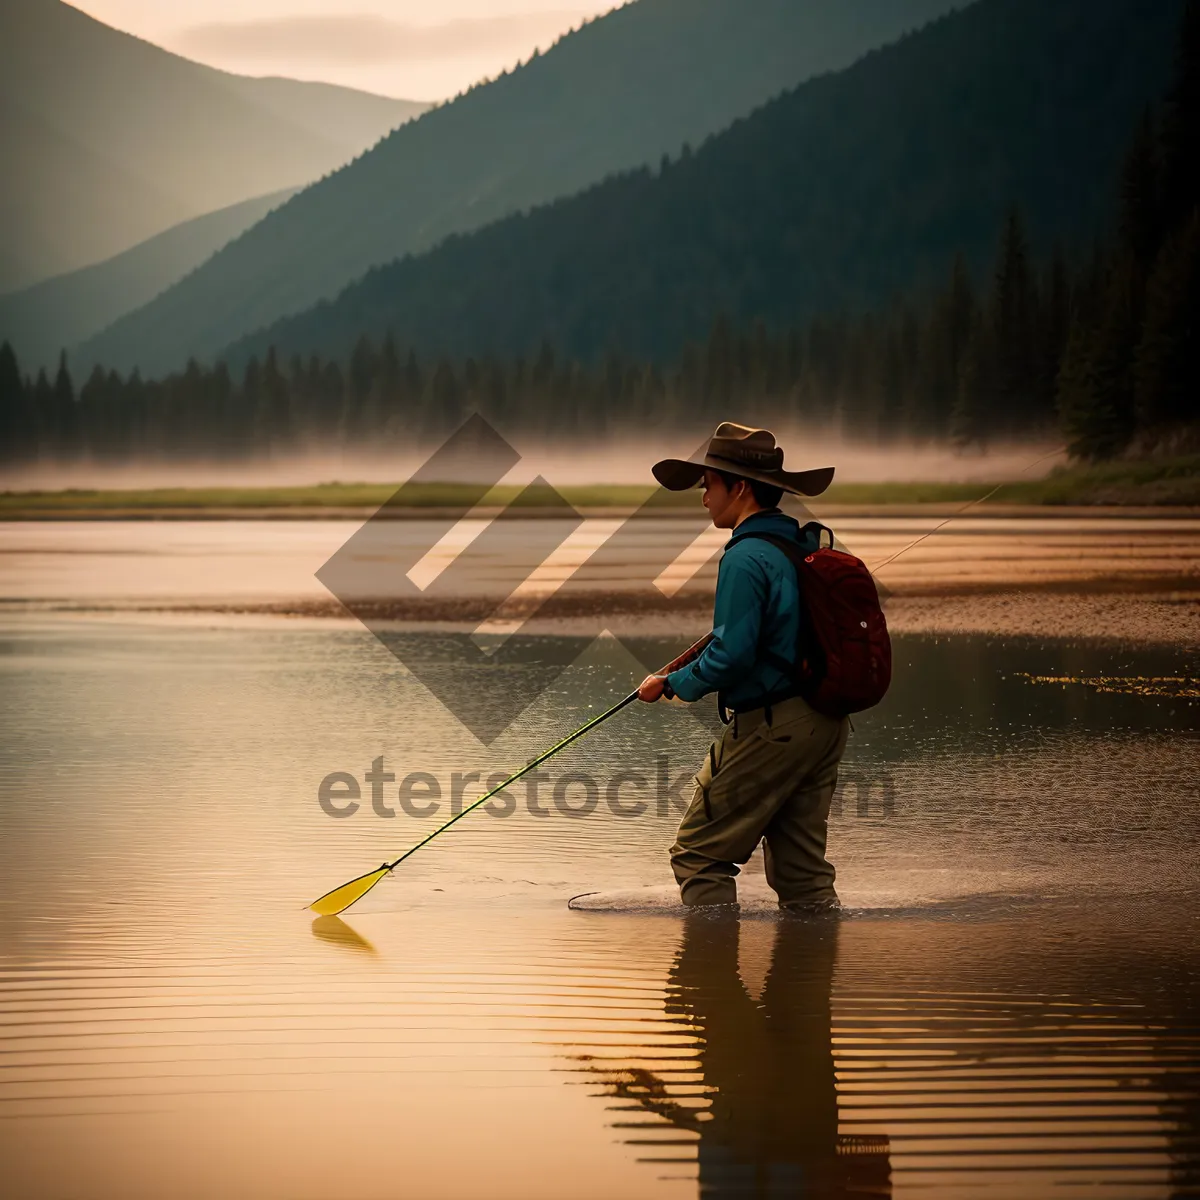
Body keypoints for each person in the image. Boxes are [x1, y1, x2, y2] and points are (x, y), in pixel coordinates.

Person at [637, 422, 849, 909]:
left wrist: (671, 684)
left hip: (773, 726)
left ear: (740, 487)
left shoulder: (745, 556)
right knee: (803, 875)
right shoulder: (802, 545)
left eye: (708, 484)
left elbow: (732, 656)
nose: (703, 497)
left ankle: (707, 979)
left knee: (697, 855)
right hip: (825, 722)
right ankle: (811, 976)